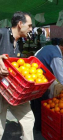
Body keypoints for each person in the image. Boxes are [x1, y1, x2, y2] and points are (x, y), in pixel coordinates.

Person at [31, 38, 63, 132]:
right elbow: (62, 78)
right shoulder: (56, 57)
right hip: (40, 82)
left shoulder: (49, 47)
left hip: (33, 77)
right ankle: (40, 127)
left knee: (35, 103)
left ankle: (35, 124)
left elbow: (35, 56)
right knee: (43, 104)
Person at [0, 11, 34, 140]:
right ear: (20, 24)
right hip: (0, 90)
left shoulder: (19, 43)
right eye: (29, 26)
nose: (31, 29)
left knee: (28, 118)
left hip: (14, 90)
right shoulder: (2, 33)